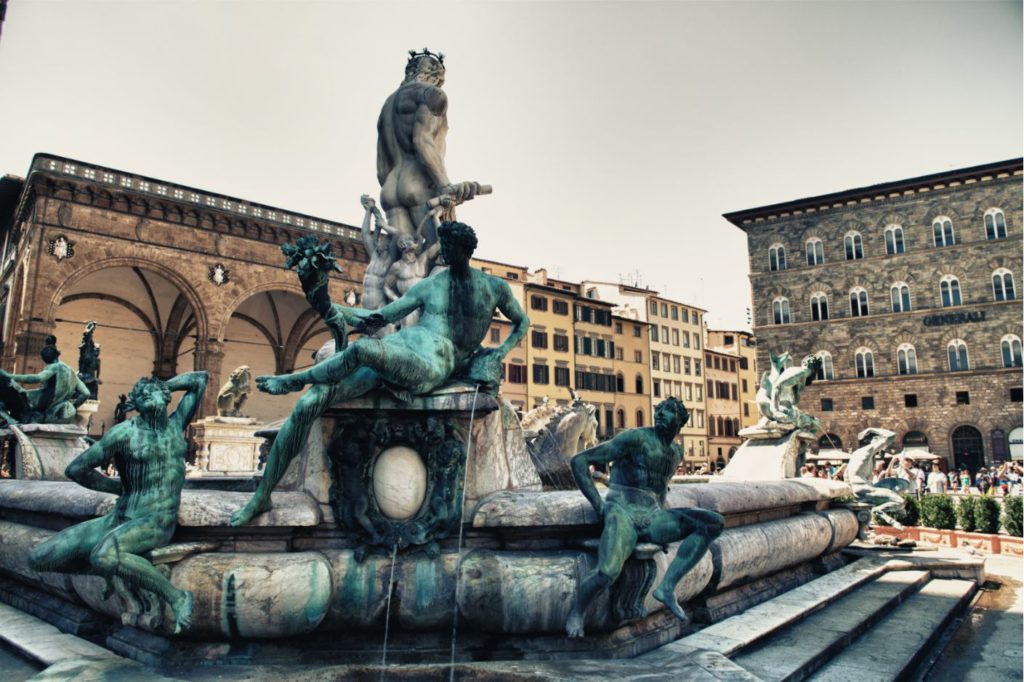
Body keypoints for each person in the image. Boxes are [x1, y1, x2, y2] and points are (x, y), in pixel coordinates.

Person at [230, 222, 528, 527]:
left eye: (450, 249)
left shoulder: (494, 288)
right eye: (445, 249)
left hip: (433, 363)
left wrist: (498, 352)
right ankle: (261, 497)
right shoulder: (430, 286)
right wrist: (318, 297)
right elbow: (378, 318)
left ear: (464, 249)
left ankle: (294, 379)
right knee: (309, 404)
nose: (446, 254)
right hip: (398, 349)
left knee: (363, 351)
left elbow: (522, 322)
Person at [28, 371, 208, 634]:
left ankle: (176, 596)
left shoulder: (176, 424)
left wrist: (155, 385)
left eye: (153, 393)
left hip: (156, 520)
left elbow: (200, 379)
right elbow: (76, 469)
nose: (147, 396)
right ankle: (119, 570)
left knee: (105, 555)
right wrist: (116, 487)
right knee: (40, 558)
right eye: (141, 395)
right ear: (136, 403)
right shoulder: (123, 433)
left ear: (167, 396)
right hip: (122, 516)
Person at [564, 398, 723, 637]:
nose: (659, 414)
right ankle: (577, 611)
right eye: (658, 410)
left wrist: (665, 520)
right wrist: (600, 506)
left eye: (667, 412)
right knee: (607, 572)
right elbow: (579, 461)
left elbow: (660, 489)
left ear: (680, 420)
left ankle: (667, 587)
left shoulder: (675, 452)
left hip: (652, 515)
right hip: (622, 511)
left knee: (713, 522)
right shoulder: (636, 438)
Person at [376, 49, 480, 246]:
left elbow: (382, 168)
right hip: (418, 185)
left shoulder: (387, 106)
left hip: (389, 189)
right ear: (436, 76)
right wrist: (444, 186)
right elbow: (422, 141)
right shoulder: (432, 95)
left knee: (403, 263)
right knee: (442, 256)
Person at [0, 337, 90, 425]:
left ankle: (10, 420)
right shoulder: (71, 372)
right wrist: (74, 407)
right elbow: (86, 393)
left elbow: (38, 378)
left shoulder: (53, 367)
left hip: (43, 401)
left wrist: (9, 376)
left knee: (3, 402)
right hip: (61, 405)